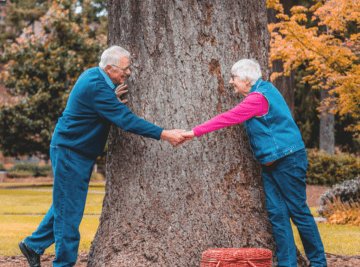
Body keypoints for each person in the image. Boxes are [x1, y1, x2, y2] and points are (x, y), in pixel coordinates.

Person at [18, 46, 186, 267]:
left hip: (76, 150)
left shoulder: (94, 77)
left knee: (65, 203)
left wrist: (110, 97)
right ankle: (63, 263)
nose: (127, 74)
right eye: (124, 70)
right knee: (70, 212)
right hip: (71, 152)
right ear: (109, 68)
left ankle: (33, 245)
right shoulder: (97, 86)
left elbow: (96, 102)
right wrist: (165, 134)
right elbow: (126, 120)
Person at [182, 59, 327, 267]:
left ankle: (319, 262)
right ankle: (287, 264)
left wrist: (193, 132)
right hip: (271, 163)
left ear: (246, 79)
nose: (231, 82)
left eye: (233, 78)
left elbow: (228, 117)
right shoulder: (263, 90)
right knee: (278, 213)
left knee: (298, 210)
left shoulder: (258, 97)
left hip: (288, 159)